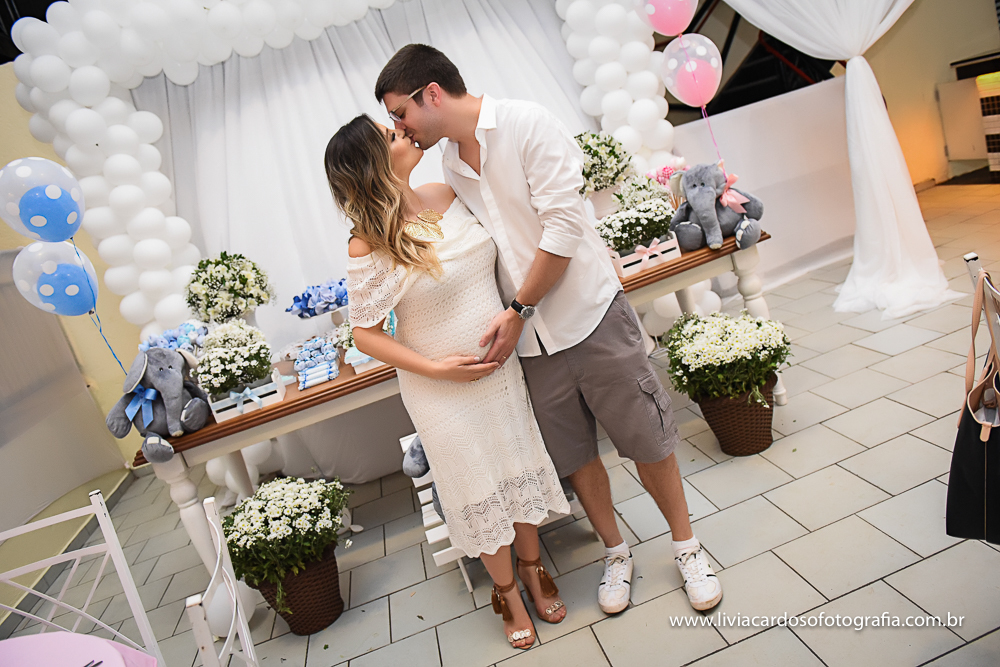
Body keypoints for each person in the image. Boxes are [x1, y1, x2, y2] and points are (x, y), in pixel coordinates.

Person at [375, 44, 723, 614]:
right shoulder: (451, 166)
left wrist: (517, 310)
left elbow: (562, 228)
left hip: (588, 313)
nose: (400, 127)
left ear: (431, 94)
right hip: (531, 346)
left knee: (646, 437)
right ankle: (616, 552)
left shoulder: (526, 124)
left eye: (400, 112)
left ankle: (687, 548)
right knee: (574, 454)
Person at [326, 114, 571, 650]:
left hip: (498, 370)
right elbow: (364, 335)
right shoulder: (367, 244)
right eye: (390, 135)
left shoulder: (443, 191)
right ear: (371, 163)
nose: (404, 132)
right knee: (476, 481)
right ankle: (506, 593)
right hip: (439, 390)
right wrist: (436, 368)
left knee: (516, 461)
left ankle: (532, 567)